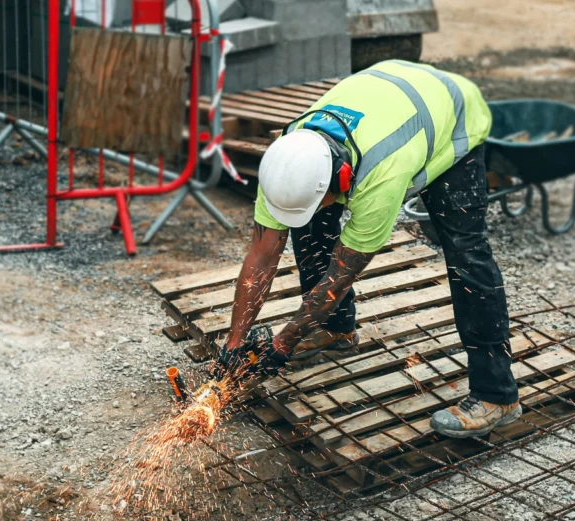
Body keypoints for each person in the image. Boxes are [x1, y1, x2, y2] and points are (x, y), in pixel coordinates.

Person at [214, 60, 519, 438]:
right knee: (309, 224)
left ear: (343, 179)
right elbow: (261, 257)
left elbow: (339, 276)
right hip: (392, 95)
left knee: (465, 254)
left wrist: (283, 343)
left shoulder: (381, 176)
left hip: (454, 115)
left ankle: (497, 394)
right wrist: (235, 341)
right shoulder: (288, 158)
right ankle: (336, 329)